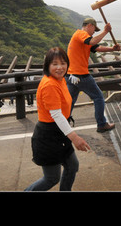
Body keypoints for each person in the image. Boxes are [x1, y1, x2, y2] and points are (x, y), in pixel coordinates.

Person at [25, 47, 90, 191]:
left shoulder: (60, 79)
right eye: (54, 64)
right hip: (48, 136)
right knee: (51, 178)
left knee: (72, 166)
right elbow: (56, 115)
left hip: (60, 132)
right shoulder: (49, 84)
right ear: (47, 66)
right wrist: (75, 137)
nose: (60, 67)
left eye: (63, 63)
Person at [66, 17, 120, 132]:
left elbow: (97, 47)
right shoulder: (81, 34)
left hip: (71, 75)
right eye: (94, 30)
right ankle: (101, 124)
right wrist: (105, 31)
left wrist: (112, 49)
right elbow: (93, 41)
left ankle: (63, 125)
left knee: (70, 100)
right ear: (90, 25)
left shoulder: (83, 38)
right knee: (98, 97)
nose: (94, 32)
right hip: (81, 75)